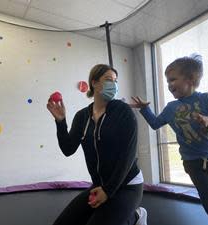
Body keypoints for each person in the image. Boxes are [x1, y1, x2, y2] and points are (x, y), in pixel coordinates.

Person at [131, 55, 208, 225]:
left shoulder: (206, 99)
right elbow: (155, 123)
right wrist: (145, 109)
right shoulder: (171, 108)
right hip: (194, 163)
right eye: (167, 81)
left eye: (173, 79)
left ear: (190, 79)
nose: (169, 85)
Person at [47, 64, 147, 225]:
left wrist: (108, 191)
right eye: (108, 79)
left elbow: (127, 157)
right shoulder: (82, 117)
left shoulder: (123, 112)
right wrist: (60, 122)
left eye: (115, 81)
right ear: (94, 82)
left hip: (127, 185)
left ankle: (136, 217)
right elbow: (68, 149)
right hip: (100, 186)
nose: (113, 84)